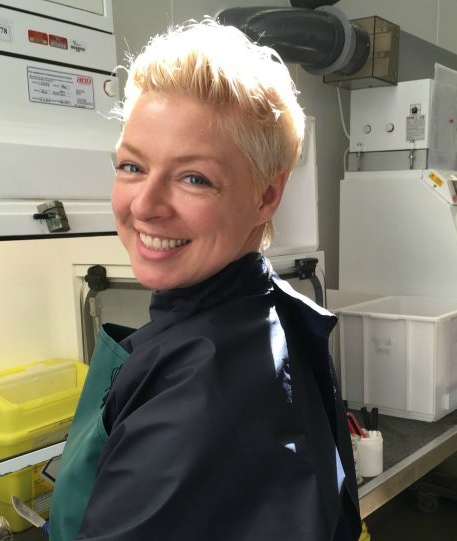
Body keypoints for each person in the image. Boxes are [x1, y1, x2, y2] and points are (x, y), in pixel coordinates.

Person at [49, 18, 362, 541]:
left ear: (266, 196)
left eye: (193, 177)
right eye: (132, 167)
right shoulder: (256, 310)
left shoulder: (200, 400)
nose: (145, 206)